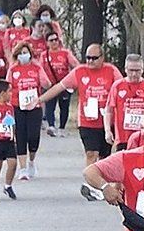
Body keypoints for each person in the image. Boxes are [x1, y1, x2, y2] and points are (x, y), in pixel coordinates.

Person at [38, 43, 123, 196]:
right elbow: (59, 87)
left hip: (107, 121)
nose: (90, 61)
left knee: (105, 156)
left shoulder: (111, 71)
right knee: (91, 152)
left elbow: (121, 87)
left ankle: (102, 185)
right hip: (87, 121)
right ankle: (91, 187)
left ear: (102, 58)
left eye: (94, 58)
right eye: (87, 58)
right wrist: (40, 100)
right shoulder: (80, 72)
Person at [5, 41, 51, 180]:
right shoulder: (13, 69)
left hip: (34, 106)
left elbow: (46, 84)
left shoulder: (36, 68)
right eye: (20, 53)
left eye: (25, 53)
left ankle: (31, 161)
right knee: (20, 136)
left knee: (33, 136)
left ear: (30, 54)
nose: (23, 56)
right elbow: (7, 87)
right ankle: (23, 168)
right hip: (17, 106)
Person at [105, 54, 144, 151]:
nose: (134, 74)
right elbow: (109, 110)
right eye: (131, 70)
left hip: (143, 137)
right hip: (123, 137)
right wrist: (108, 130)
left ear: (142, 70)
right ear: (125, 69)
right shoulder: (117, 86)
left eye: (137, 70)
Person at [39, 30, 78, 137]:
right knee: (49, 106)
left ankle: (62, 127)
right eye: (51, 40)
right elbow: (40, 69)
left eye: (56, 40)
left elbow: (75, 65)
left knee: (64, 107)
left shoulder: (65, 53)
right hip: (51, 85)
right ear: (47, 42)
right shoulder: (44, 55)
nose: (54, 42)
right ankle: (51, 126)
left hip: (64, 85)